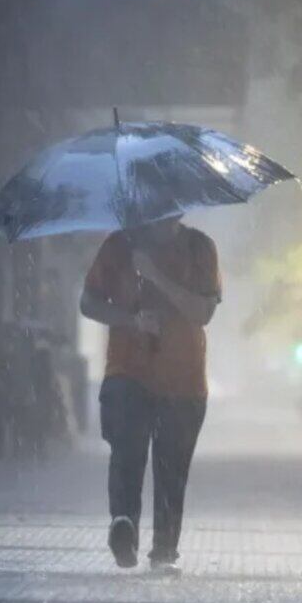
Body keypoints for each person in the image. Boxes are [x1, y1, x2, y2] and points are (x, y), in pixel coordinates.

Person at [80, 216, 221, 575]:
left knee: (172, 467)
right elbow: (89, 303)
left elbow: (203, 311)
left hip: (184, 378)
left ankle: (164, 549)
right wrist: (131, 319)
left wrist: (155, 274)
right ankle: (123, 523)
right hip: (128, 371)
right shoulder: (119, 245)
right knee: (127, 448)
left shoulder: (199, 248)